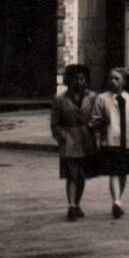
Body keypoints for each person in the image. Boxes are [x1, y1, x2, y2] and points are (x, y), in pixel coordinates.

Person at [90, 67, 129, 217]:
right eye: (111, 78)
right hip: (111, 140)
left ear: (124, 81)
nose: (113, 81)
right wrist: (99, 130)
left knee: (123, 172)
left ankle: (118, 199)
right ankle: (116, 201)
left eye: (117, 79)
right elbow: (95, 120)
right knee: (114, 171)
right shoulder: (102, 98)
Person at [50, 63, 97, 221]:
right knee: (71, 174)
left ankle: (76, 204)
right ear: (68, 80)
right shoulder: (59, 99)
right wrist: (61, 137)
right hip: (69, 138)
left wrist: (94, 128)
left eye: (82, 79)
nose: (79, 82)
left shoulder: (92, 98)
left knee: (81, 175)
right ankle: (71, 206)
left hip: (86, 139)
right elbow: (54, 123)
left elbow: (98, 117)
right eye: (75, 79)